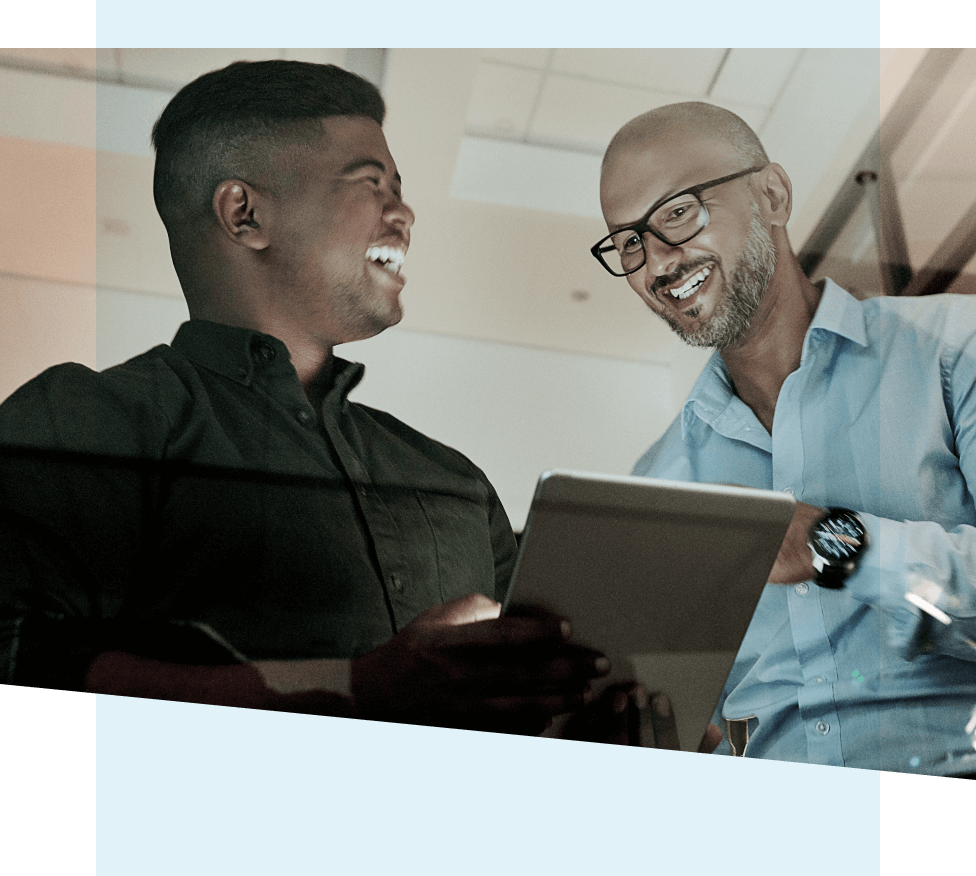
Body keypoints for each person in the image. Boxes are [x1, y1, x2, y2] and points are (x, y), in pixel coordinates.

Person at [0, 59, 640, 742]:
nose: (405, 211)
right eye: (370, 182)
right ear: (244, 214)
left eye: (399, 186)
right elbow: (17, 656)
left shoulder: (455, 480)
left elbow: (533, 701)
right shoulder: (88, 419)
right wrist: (356, 689)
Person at [592, 101, 976, 775]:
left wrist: (835, 544)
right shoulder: (657, 484)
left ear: (772, 194)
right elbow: (689, 719)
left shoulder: (952, 349)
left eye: (677, 213)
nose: (655, 262)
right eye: (628, 243)